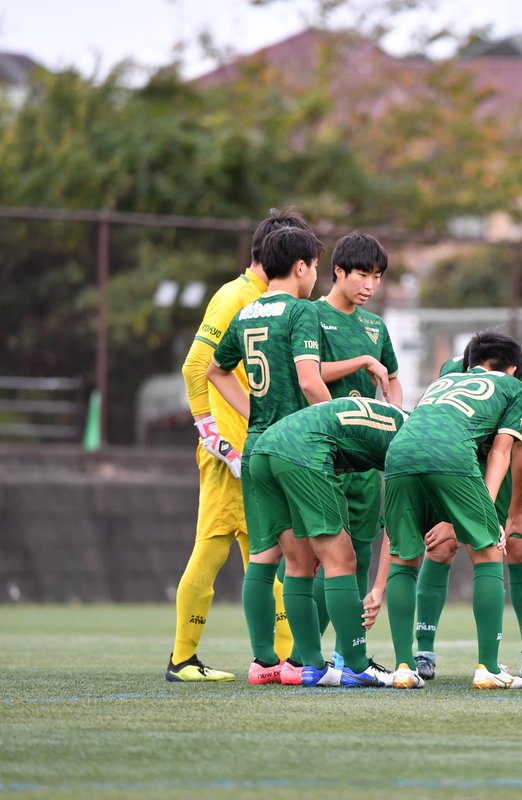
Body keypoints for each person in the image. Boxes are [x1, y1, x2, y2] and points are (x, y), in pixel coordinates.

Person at [165, 209, 312, 684]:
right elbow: (196, 366)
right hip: (232, 454)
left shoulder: (266, 300)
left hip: (257, 449)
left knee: (267, 558)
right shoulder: (235, 296)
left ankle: (281, 661)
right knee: (213, 551)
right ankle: (182, 659)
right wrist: (212, 432)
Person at [207, 224, 331, 686]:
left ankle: (262, 662)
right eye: (316, 267)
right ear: (301, 267)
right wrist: (342, 419)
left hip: (256, 444)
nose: (316, 276)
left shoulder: (249, 311)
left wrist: (252, 410)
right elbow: (308, 380)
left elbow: (216, 371)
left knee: (262, 556)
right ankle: (303, 663)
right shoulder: (301, 313)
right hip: (296, 444)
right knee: (309, 560)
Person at [381, 331, 522, 690]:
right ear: (512, 369)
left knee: (403, 557)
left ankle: (403, 666)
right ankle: (489, 668)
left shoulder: (445, 379)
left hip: (399, 453)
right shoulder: (515, 388)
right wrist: (488, 513)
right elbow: (500, 451)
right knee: (489, 552)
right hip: (451, 455)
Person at [413, 346, 522, 683]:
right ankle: (424, 652)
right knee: (441, 545)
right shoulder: (451, 371)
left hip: (502, 460)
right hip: (459, 463)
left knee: (520, 544)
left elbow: (520, 449)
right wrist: (452, 518)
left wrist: (516, 511)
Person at [248, 397, 407, 687]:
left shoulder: (400, 422)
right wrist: (379, 587)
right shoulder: (415, 441)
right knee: (342, 560)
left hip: (264, 449)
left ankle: (312, 667)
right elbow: (399, 522)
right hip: (302, 451)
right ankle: (358, 667)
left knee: (299, 564)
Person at [312, 232, 401, 669]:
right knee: (325, 558)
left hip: (367, 460)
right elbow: (310, 374)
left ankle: (348, 655)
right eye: (363, 274)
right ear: (338, 272)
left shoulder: (375, 326)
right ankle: (302, 653)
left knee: (362, 551)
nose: (371, 284)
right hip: (325, 456)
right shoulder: (311, 317)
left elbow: (394, 377)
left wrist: (398, 420)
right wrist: (363, 362)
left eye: (378, 276)